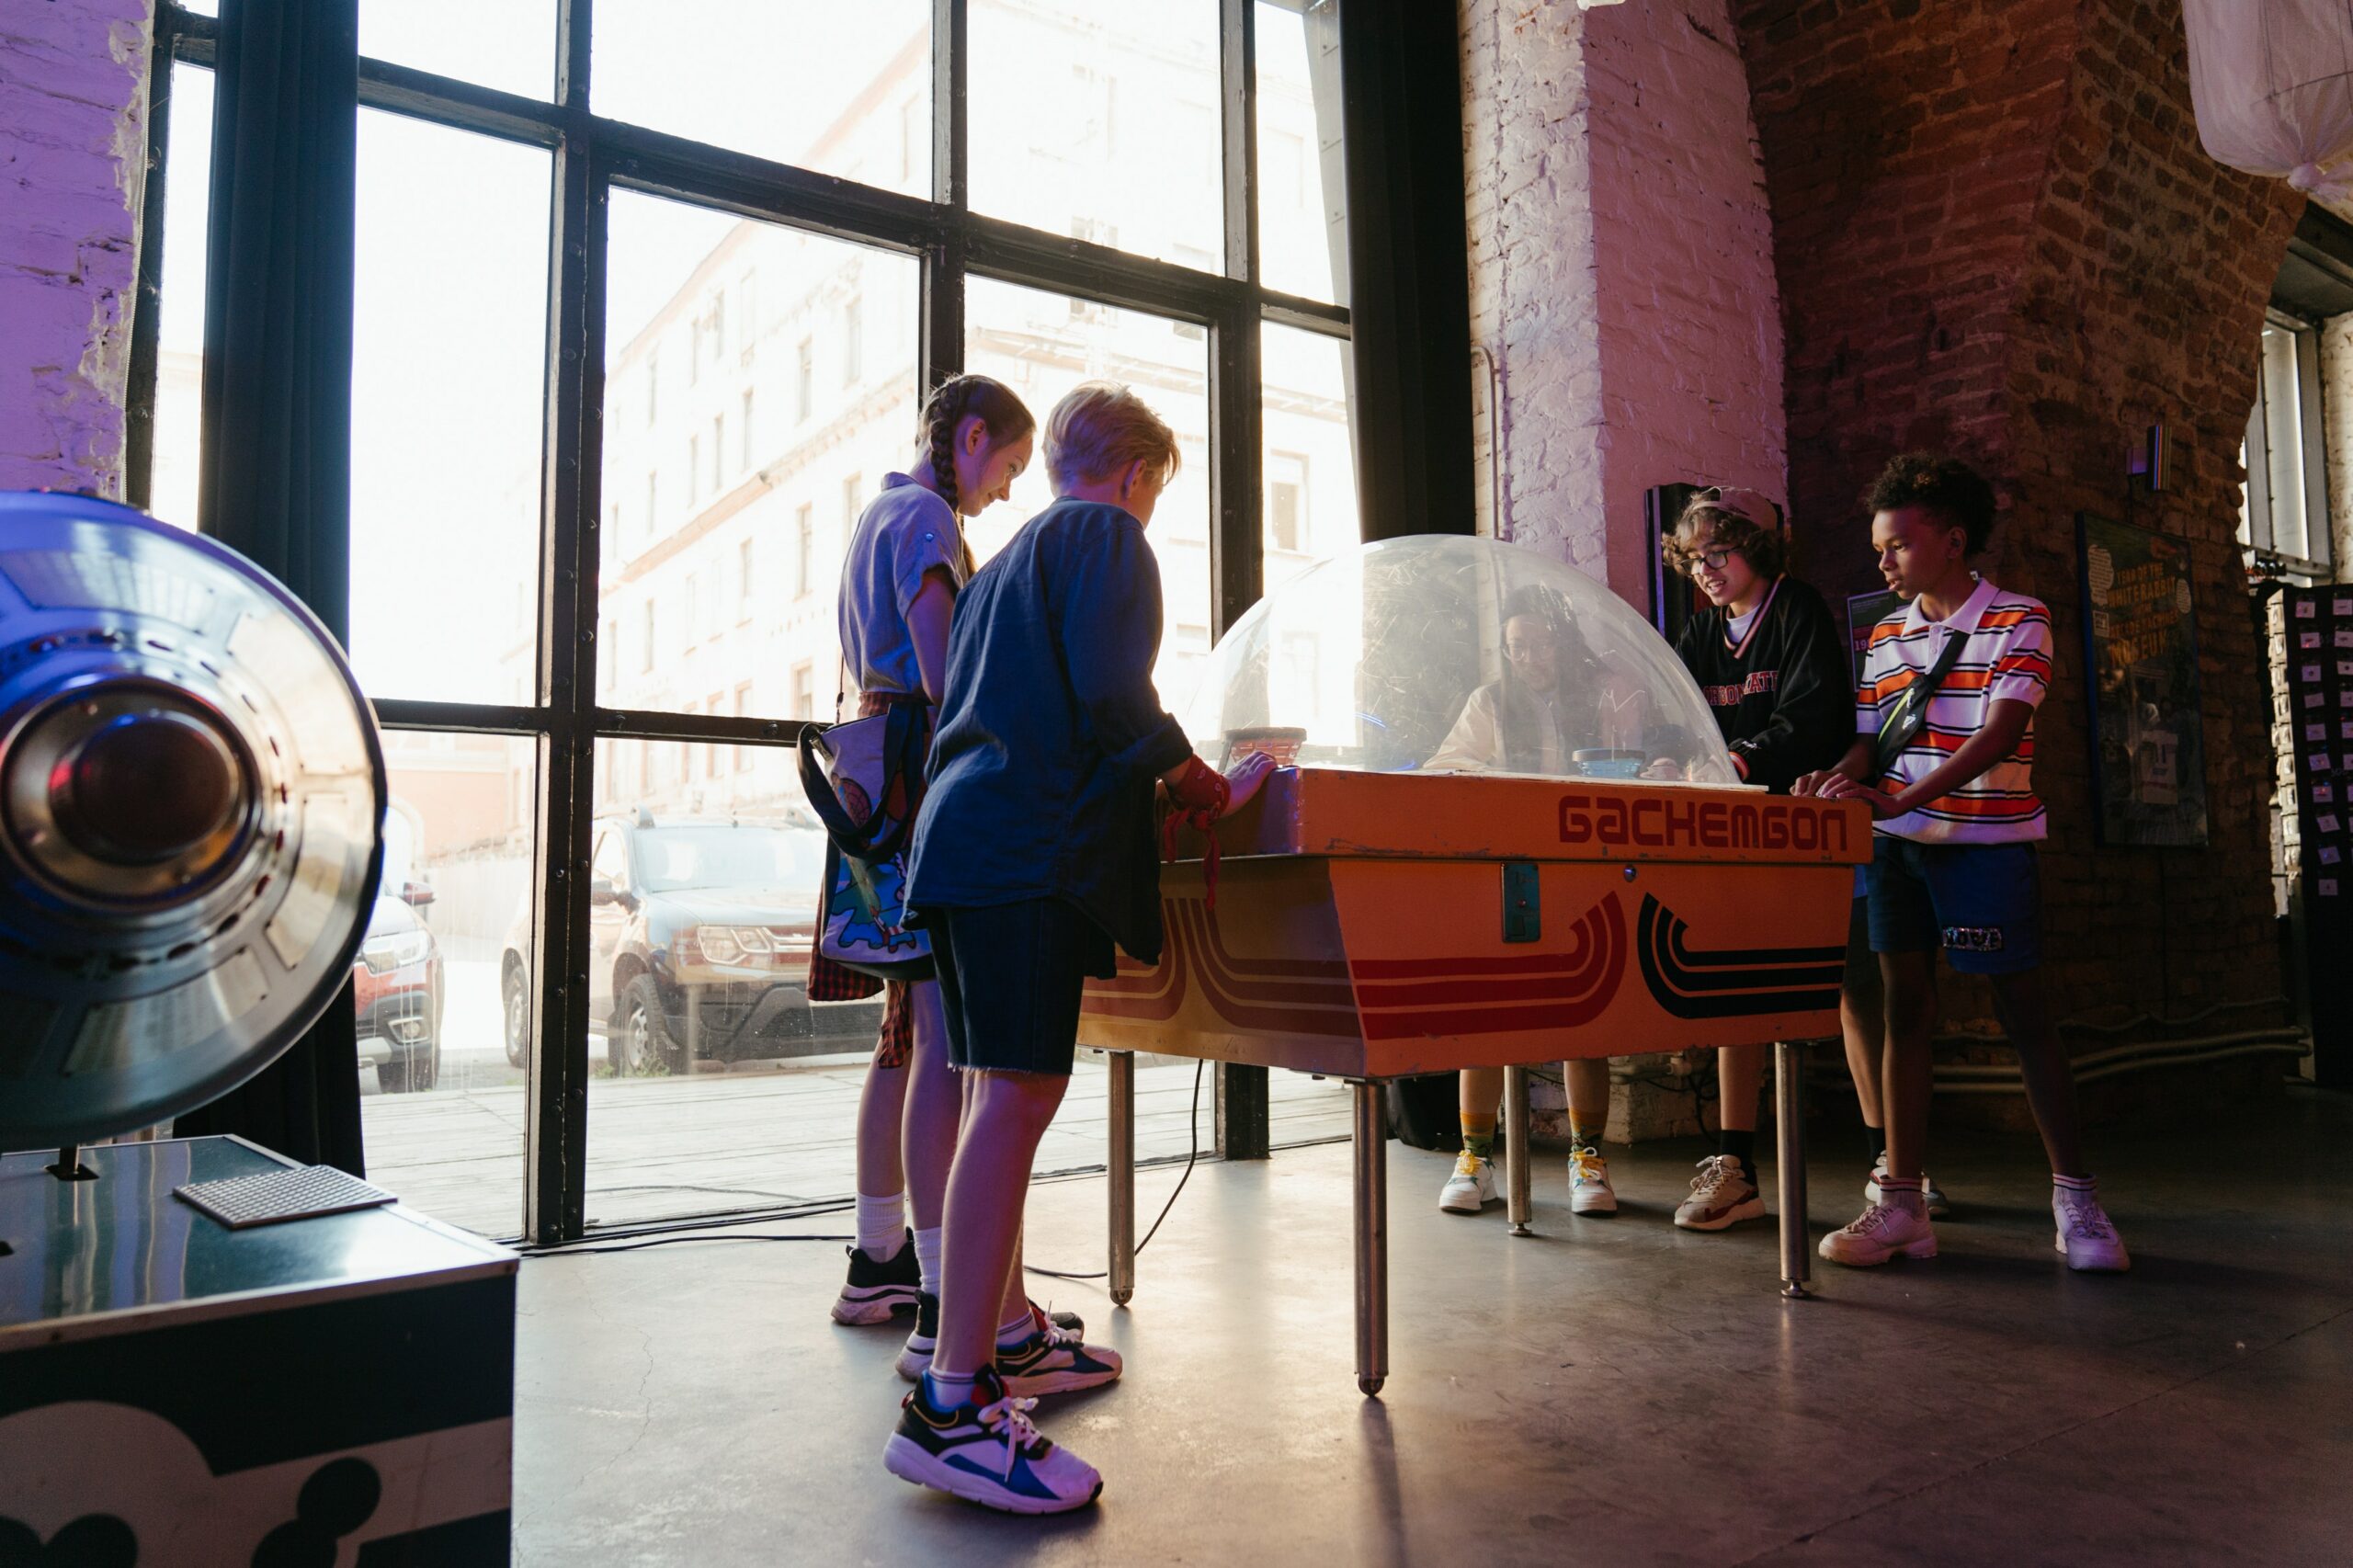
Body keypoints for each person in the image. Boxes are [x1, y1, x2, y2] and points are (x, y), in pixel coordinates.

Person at [882, 382, 1274, 1513]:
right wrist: (1209, 784)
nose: (1150, 505)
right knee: (1014, 1096)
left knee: (983, 1092)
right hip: (1023, 851)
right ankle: (951, 1402)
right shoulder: (1107, 533)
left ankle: (999, 1335)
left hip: (959, 845)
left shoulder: (1000, 559)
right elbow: (1117, 696)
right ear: (1139, 472)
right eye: (1156, 485)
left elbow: (1020, 702)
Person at [1794, 454, 2128, 1272]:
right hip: (1896, 848)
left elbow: (2003, 732)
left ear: (1951, 538)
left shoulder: (2020, 618)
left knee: (2023, 1012)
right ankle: (1901, 1201)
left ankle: (2077, 1202)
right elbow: (1875, 740)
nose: (1884, 561)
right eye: (1880, 547)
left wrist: (1908, 800)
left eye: (1898, 545)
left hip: (1985, 843)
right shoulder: (1885, 632)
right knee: (1904, 1008)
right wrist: (1838, 779)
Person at [822, 375, 1040, 1336]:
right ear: (972, 438)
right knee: (945, 1046)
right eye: (1006, 467)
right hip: (922, 778)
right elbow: (949, 678)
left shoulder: (875, 512)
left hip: (872, 779)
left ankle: (879, 1260)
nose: (1003, 491)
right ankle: (953, 1296)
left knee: (899, 1037)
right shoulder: (924, 522)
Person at [1660, 487, 1857, 1231]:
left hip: (1805, 826)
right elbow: (1673, 718)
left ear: (1756, 549)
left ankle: (1891, 1162)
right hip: (1730, 830)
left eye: (1721, 552)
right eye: (1695, 558)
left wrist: (1737, 761)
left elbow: (1812, 717)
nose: (1707, 569)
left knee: (1851, 996)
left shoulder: (1796, 609)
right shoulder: (1699, 635)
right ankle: (1735, 1166)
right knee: (1736, 991)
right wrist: (1666, 763)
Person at [1426, 591, 1621, 1217]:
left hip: (1581, 868)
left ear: (1561, 642)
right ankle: (1477, 1158)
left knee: (1586, 1020)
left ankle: (1588, 1158)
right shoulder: (1490, 701)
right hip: (1507, 872)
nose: (1529, 657)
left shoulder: (1599, 697)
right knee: (1488, 1014)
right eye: (1517, 648)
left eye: (1538, 644)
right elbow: (1445, 770)